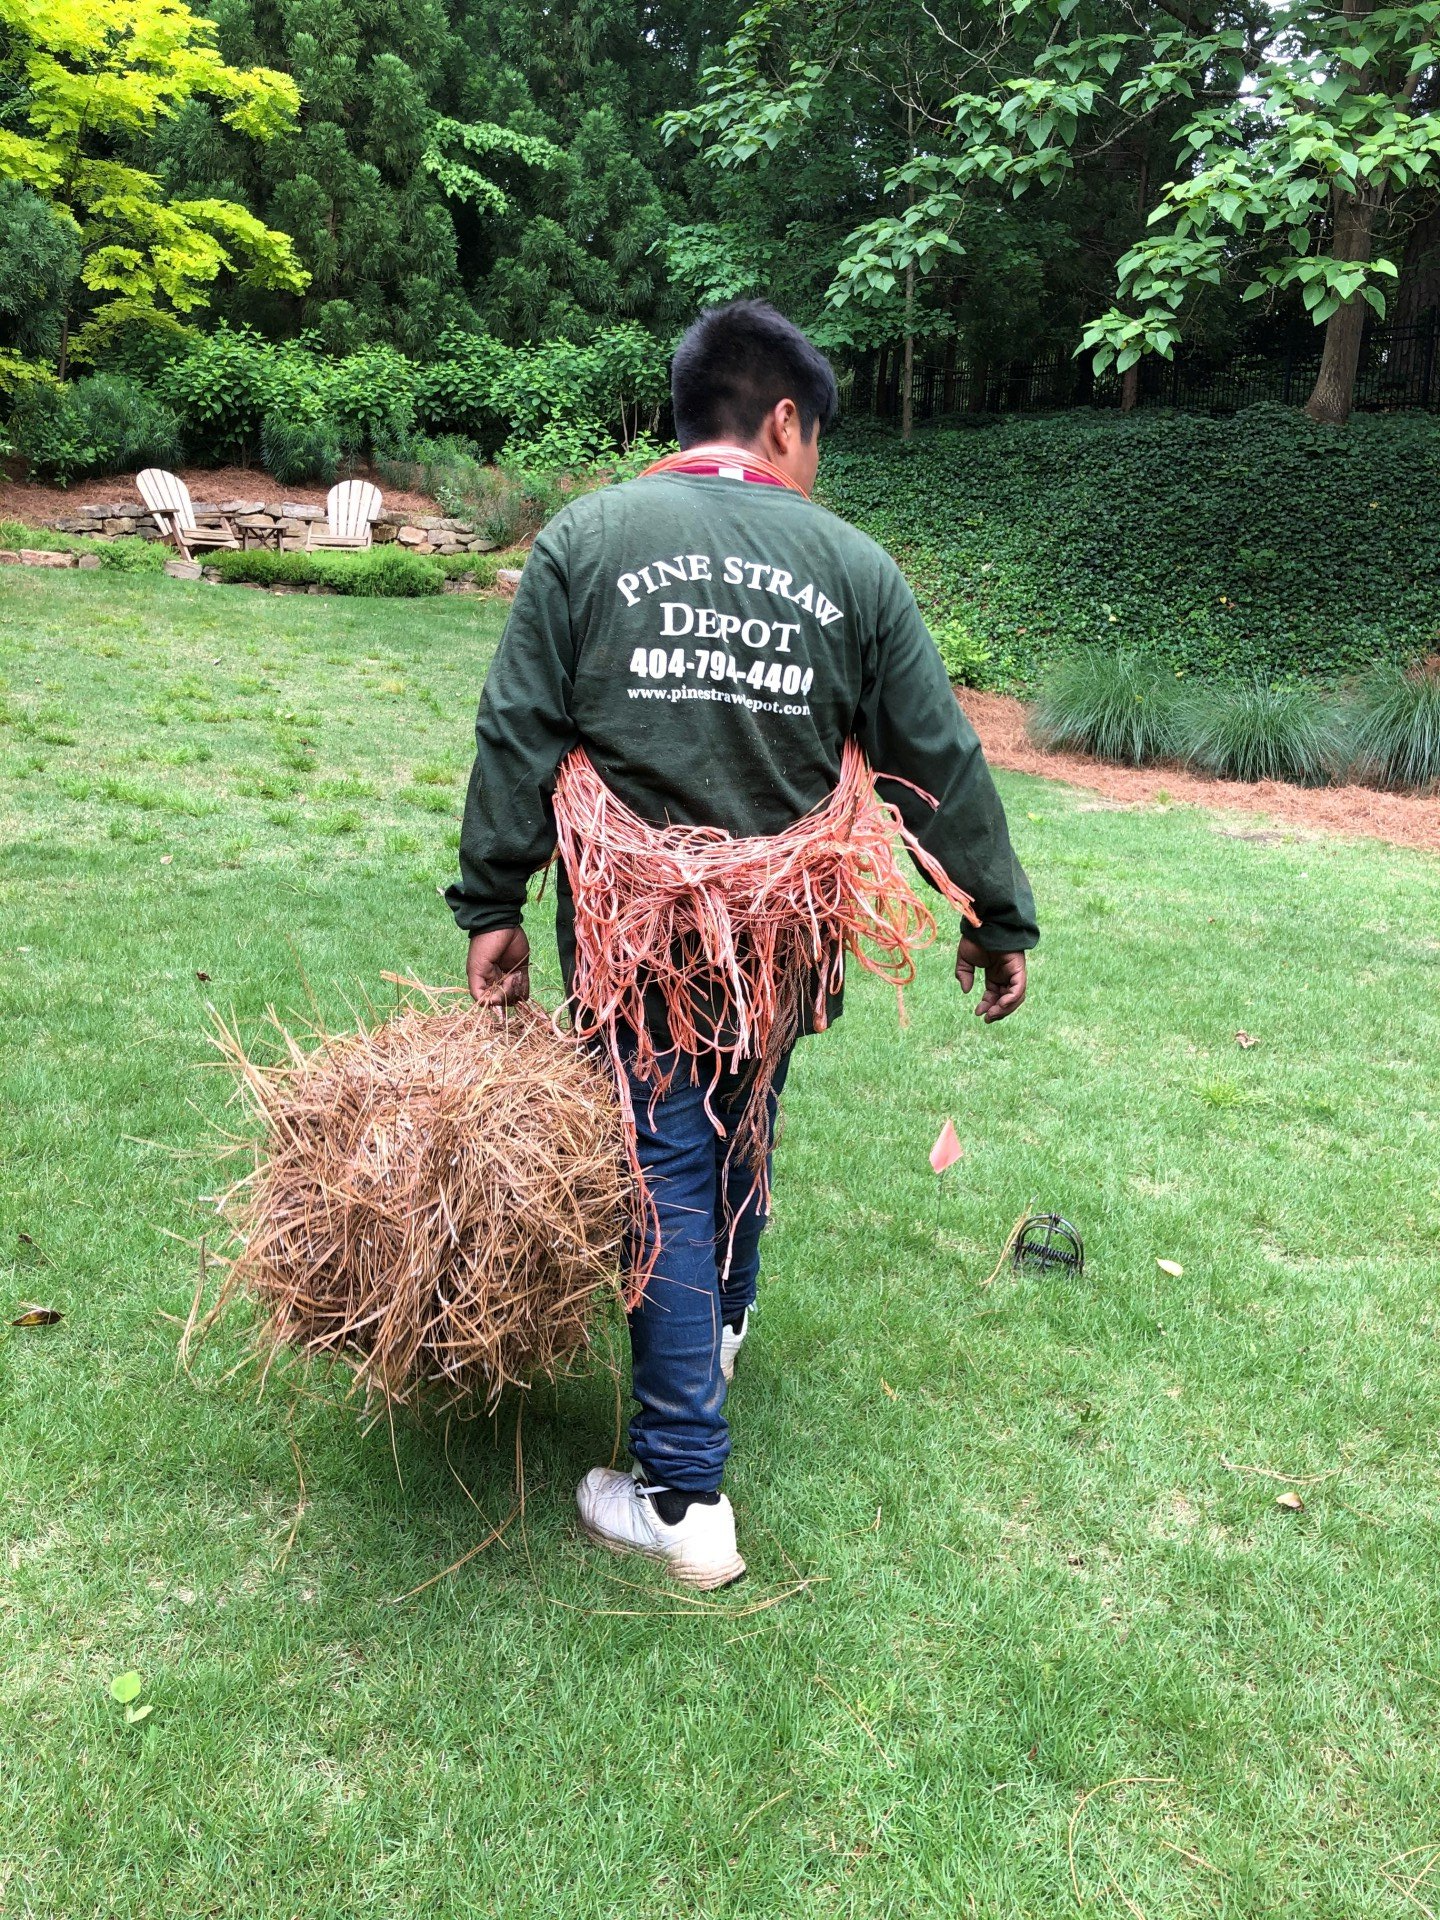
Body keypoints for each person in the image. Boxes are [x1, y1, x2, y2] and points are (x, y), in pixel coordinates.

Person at [447, 300, 1037, 1589]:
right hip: (781, 939)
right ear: (782, 421)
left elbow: (517, 732)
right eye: (814, 438)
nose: (813, 466)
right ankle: (709, 1342)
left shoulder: (588, 541)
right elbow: (936, 756)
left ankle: (681, 1495)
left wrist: (493, 902)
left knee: (665, 1153)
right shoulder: (851, 565)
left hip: (635, 935)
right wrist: (996, 913)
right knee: (741, 1111)